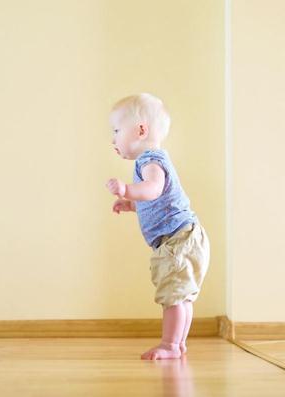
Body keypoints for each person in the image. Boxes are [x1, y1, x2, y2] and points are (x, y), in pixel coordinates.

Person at [105, 93, 209, 360]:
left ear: (141, 130)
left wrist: (127, 190)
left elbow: (154, 189)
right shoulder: (154, 159)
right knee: (181, 295)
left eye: (117, 130)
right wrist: (131, 205)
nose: (113, 138)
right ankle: (178, 343)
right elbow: (156, 199)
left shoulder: (149, 160)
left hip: (177, 239)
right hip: (185, 236)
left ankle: (170, 345)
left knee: (173, 295)